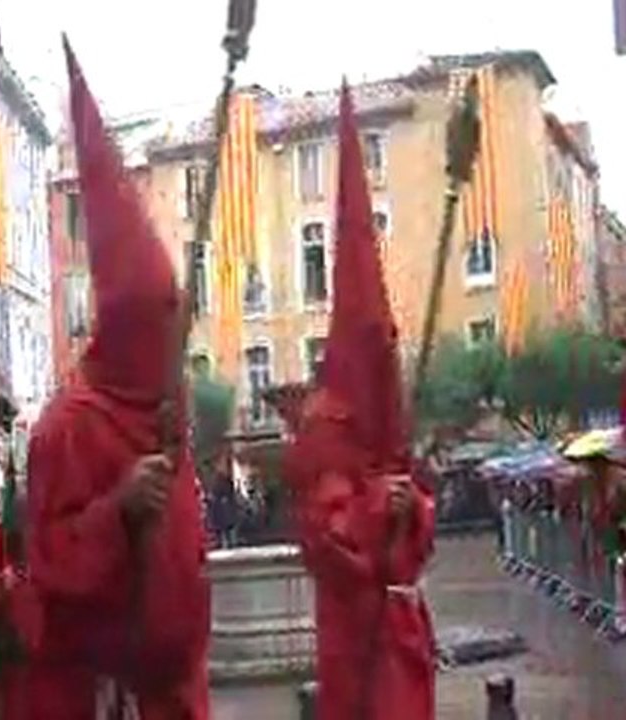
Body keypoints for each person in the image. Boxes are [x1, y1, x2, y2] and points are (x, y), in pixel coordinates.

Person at [8, 38, 209, 719]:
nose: (172, 342)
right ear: (124, 326)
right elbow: (48, 562)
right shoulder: (67, 426)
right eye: (159, 322)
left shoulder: (167, 413)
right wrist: (116, 510)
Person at [282, 81, 435, 720]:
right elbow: (326, 539)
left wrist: (413, 507)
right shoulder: (322, 430)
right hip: (355, 638)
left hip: (400, 628)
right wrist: (380, 505)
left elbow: (420, 525)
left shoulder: (388, 423)